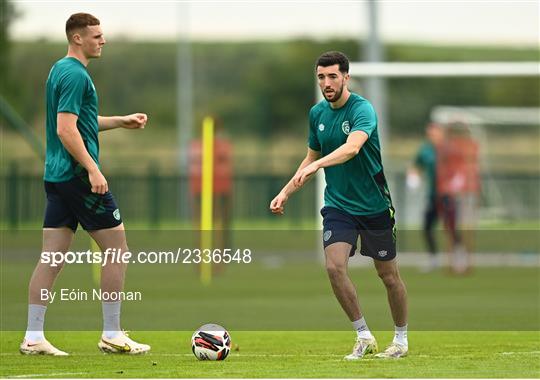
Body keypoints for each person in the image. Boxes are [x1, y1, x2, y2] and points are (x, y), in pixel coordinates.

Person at [20, 13, 150, 356]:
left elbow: (78, 122)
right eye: (96, 35)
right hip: (78, 177)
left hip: (57, 177)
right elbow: (65, 130)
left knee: (51, 258)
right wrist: (93, 169)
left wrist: (120, 121)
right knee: (117, 250)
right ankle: (112, 333)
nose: (102, 40)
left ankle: (33, 337)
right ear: (77, 38)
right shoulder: (76, 74)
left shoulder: (59, 69)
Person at [270, 51, 408, 359]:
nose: (327, 82)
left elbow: (352, 148)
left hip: (374, 205)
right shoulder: (317, 113)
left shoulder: (363, 110)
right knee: (334, 266)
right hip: (338, 205)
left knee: (388, 276)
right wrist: (286, 192)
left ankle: (400, 339)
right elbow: (309, 158)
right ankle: (364, 336)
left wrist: (317, 166)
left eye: (333, 76)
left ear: (346, 77)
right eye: (321, 77)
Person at [436, 121, 480, 274]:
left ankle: (466, 263)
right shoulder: (446, 148)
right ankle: (454, 263)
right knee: (451, 227)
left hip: (466, 191)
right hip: (452, 192)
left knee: (466, 227)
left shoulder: (469, 146)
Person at [407, 122, 444, 272]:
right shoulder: (426, 150)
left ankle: (459, 256)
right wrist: (413, 178)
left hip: (449, 195)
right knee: (427, 227)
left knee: (453, 227)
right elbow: (416, 165)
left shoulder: (448, 149)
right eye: (430, 134)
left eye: (435, 133)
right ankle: (434, 259)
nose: (432, 136)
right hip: (433, 195)